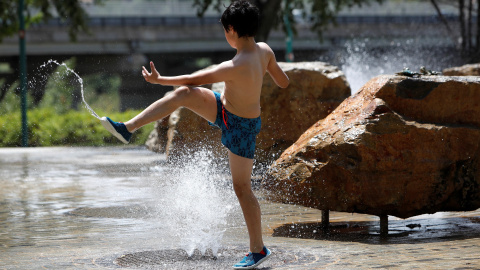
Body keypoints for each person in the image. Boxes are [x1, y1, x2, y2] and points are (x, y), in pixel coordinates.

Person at [100, 1, 289, 268]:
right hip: (224, 109)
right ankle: (127, 128)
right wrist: (265, 74)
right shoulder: (265, 51)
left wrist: (159, 80)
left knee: (242, 188)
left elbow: (192, 76)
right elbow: (283, 82)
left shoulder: (232, 66)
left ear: (232, 30)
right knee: (184, 95)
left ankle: (258, 250)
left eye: (225, 30)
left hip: (242, 128)